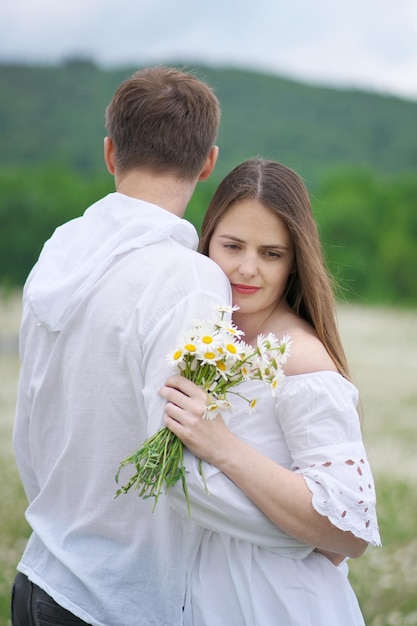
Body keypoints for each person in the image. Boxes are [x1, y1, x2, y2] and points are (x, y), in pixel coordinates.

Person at [11, 65, 235, 626]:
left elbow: (28, 432)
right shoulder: (192, 281)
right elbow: (189, 465)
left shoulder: (57, 258)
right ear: (208, 162)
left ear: (111, 153)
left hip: (41, 574)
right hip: (123, 599)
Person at [159, 158, 381, 625]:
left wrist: (223, 447)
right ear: (207, 240)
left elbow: (349, 532)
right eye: (233, 245)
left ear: (295, 261)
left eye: (272, 253)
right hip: (198, 594)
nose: (247, 268)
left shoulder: (300, 358)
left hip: (277, 604)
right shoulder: (206, 334)